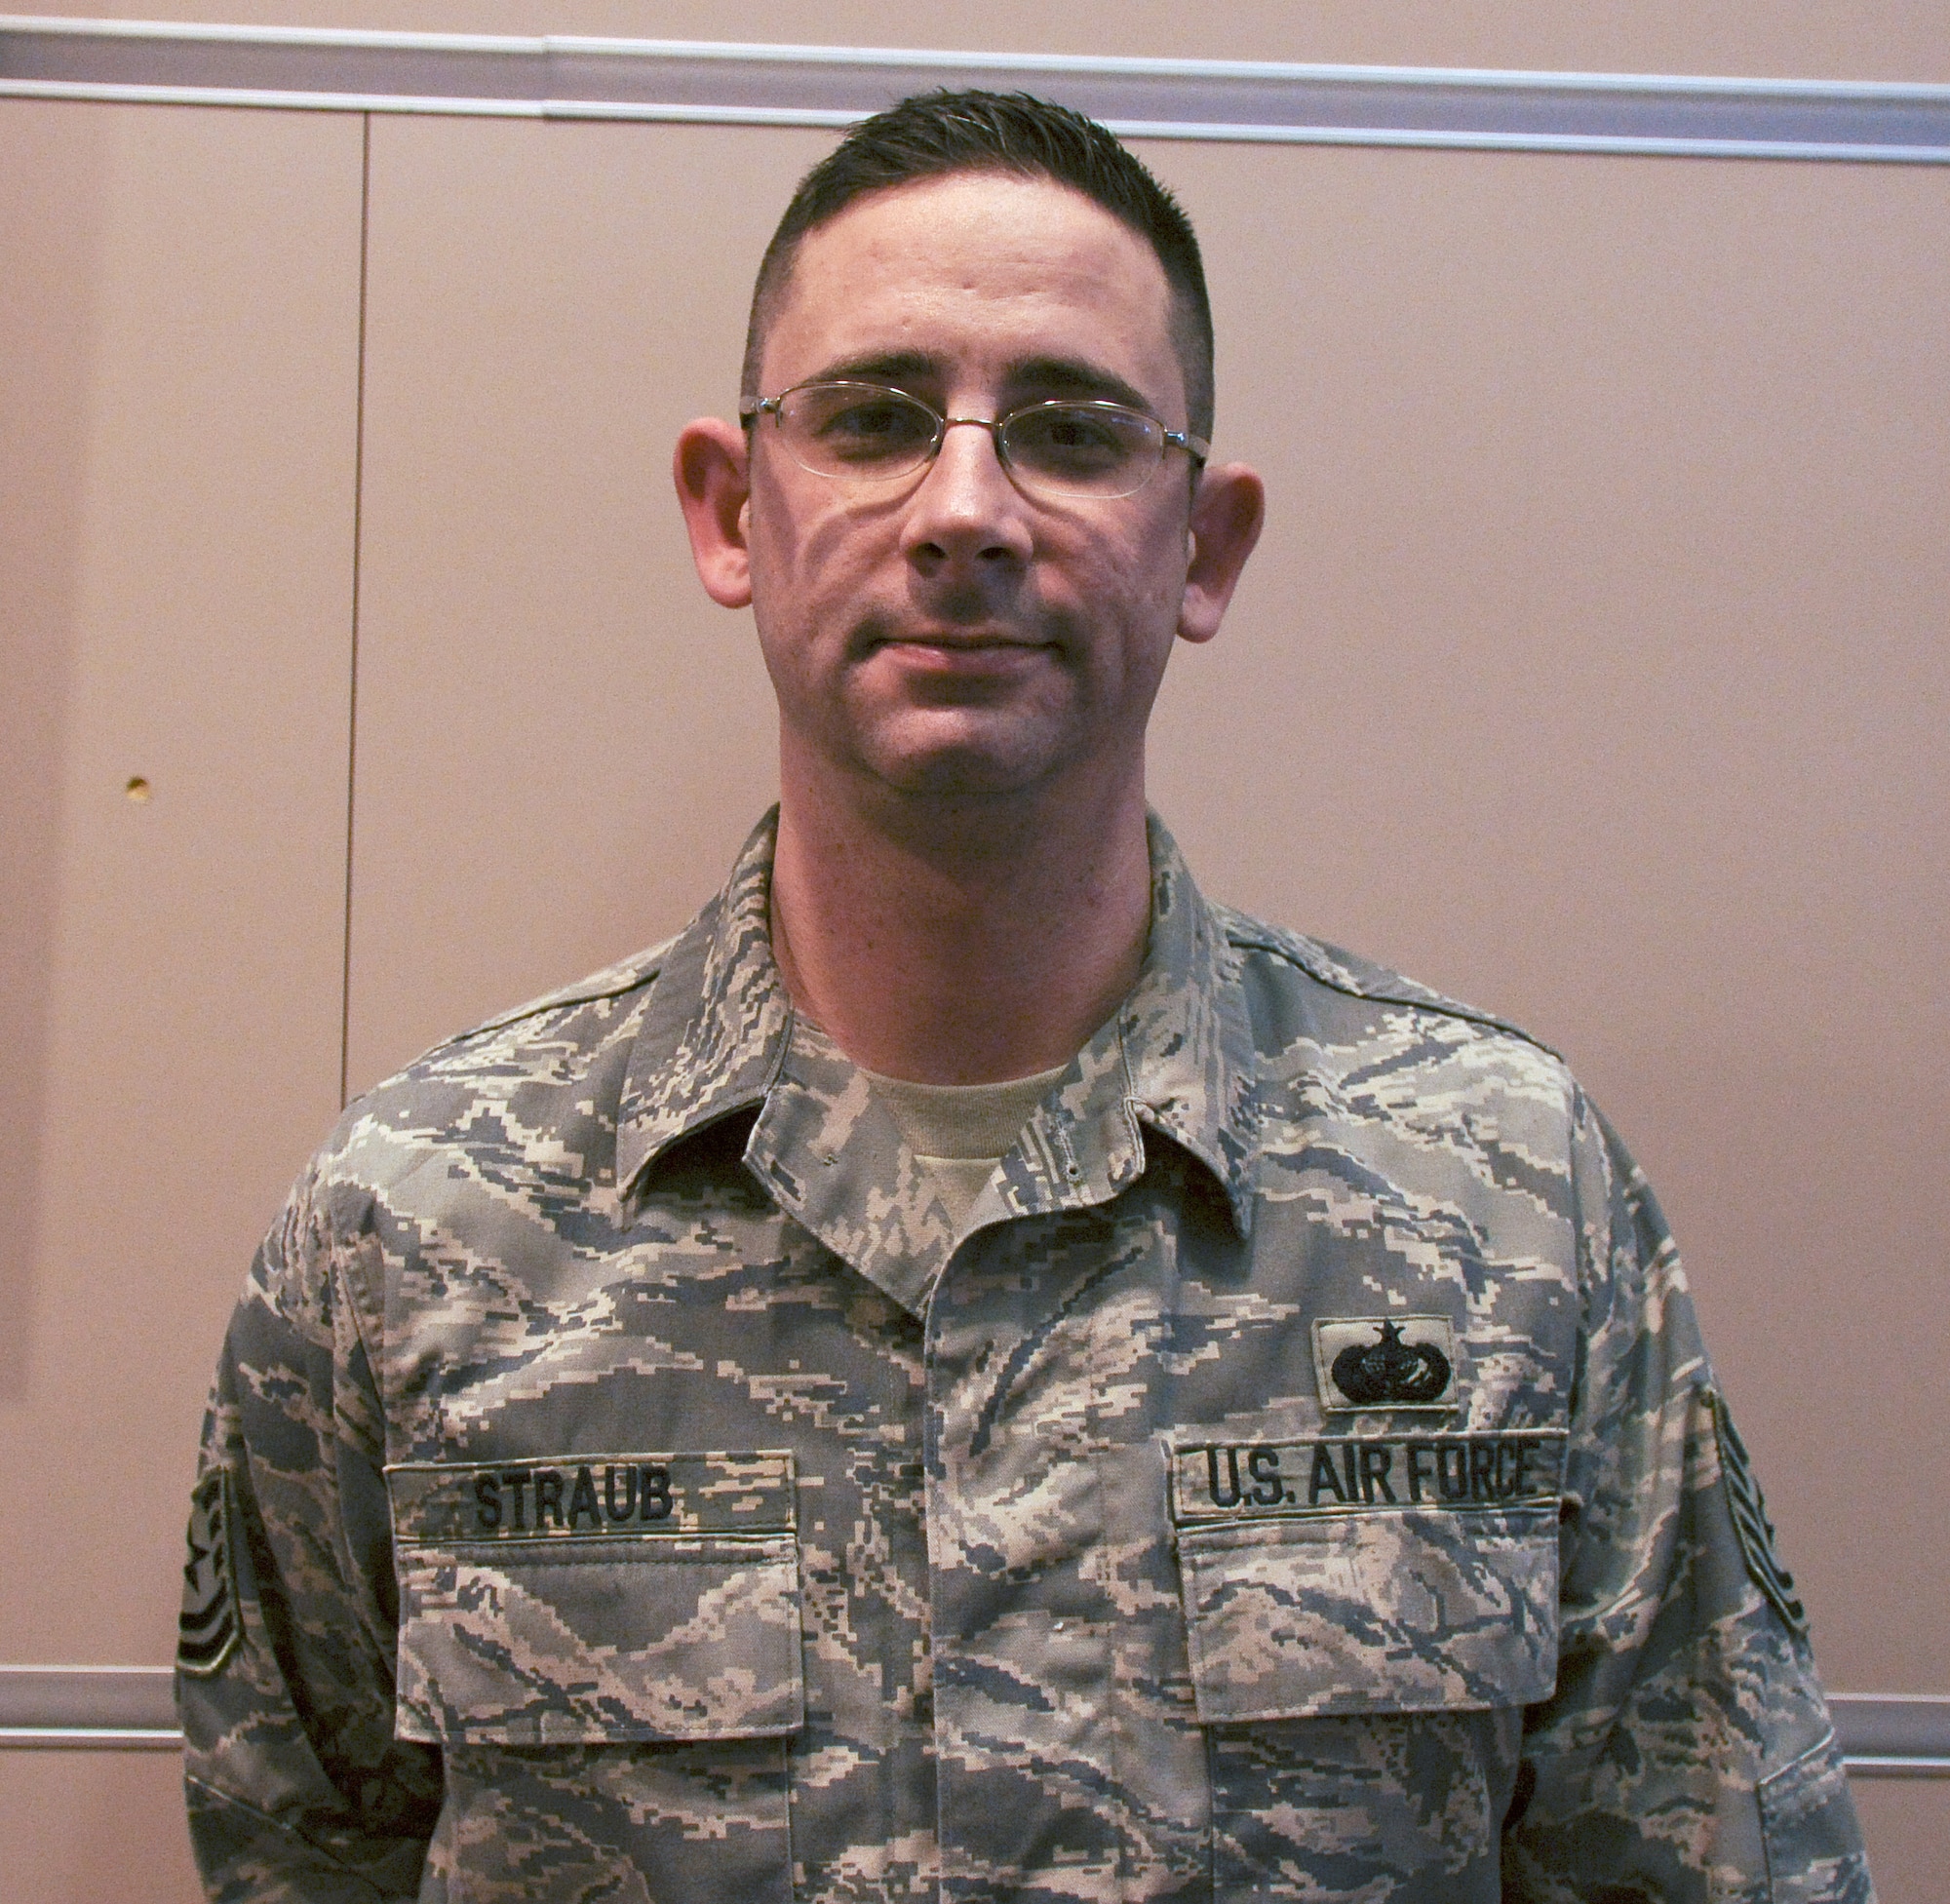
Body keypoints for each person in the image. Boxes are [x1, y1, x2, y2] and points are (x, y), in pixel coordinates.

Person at [176, 90, 1872, 1903]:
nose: (965, 508)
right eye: (874, 417)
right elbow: (298, 1854)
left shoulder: (1510, 1204)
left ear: (1202, 543)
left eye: (1070, 429)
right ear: (732, 507)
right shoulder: (417, 1229)